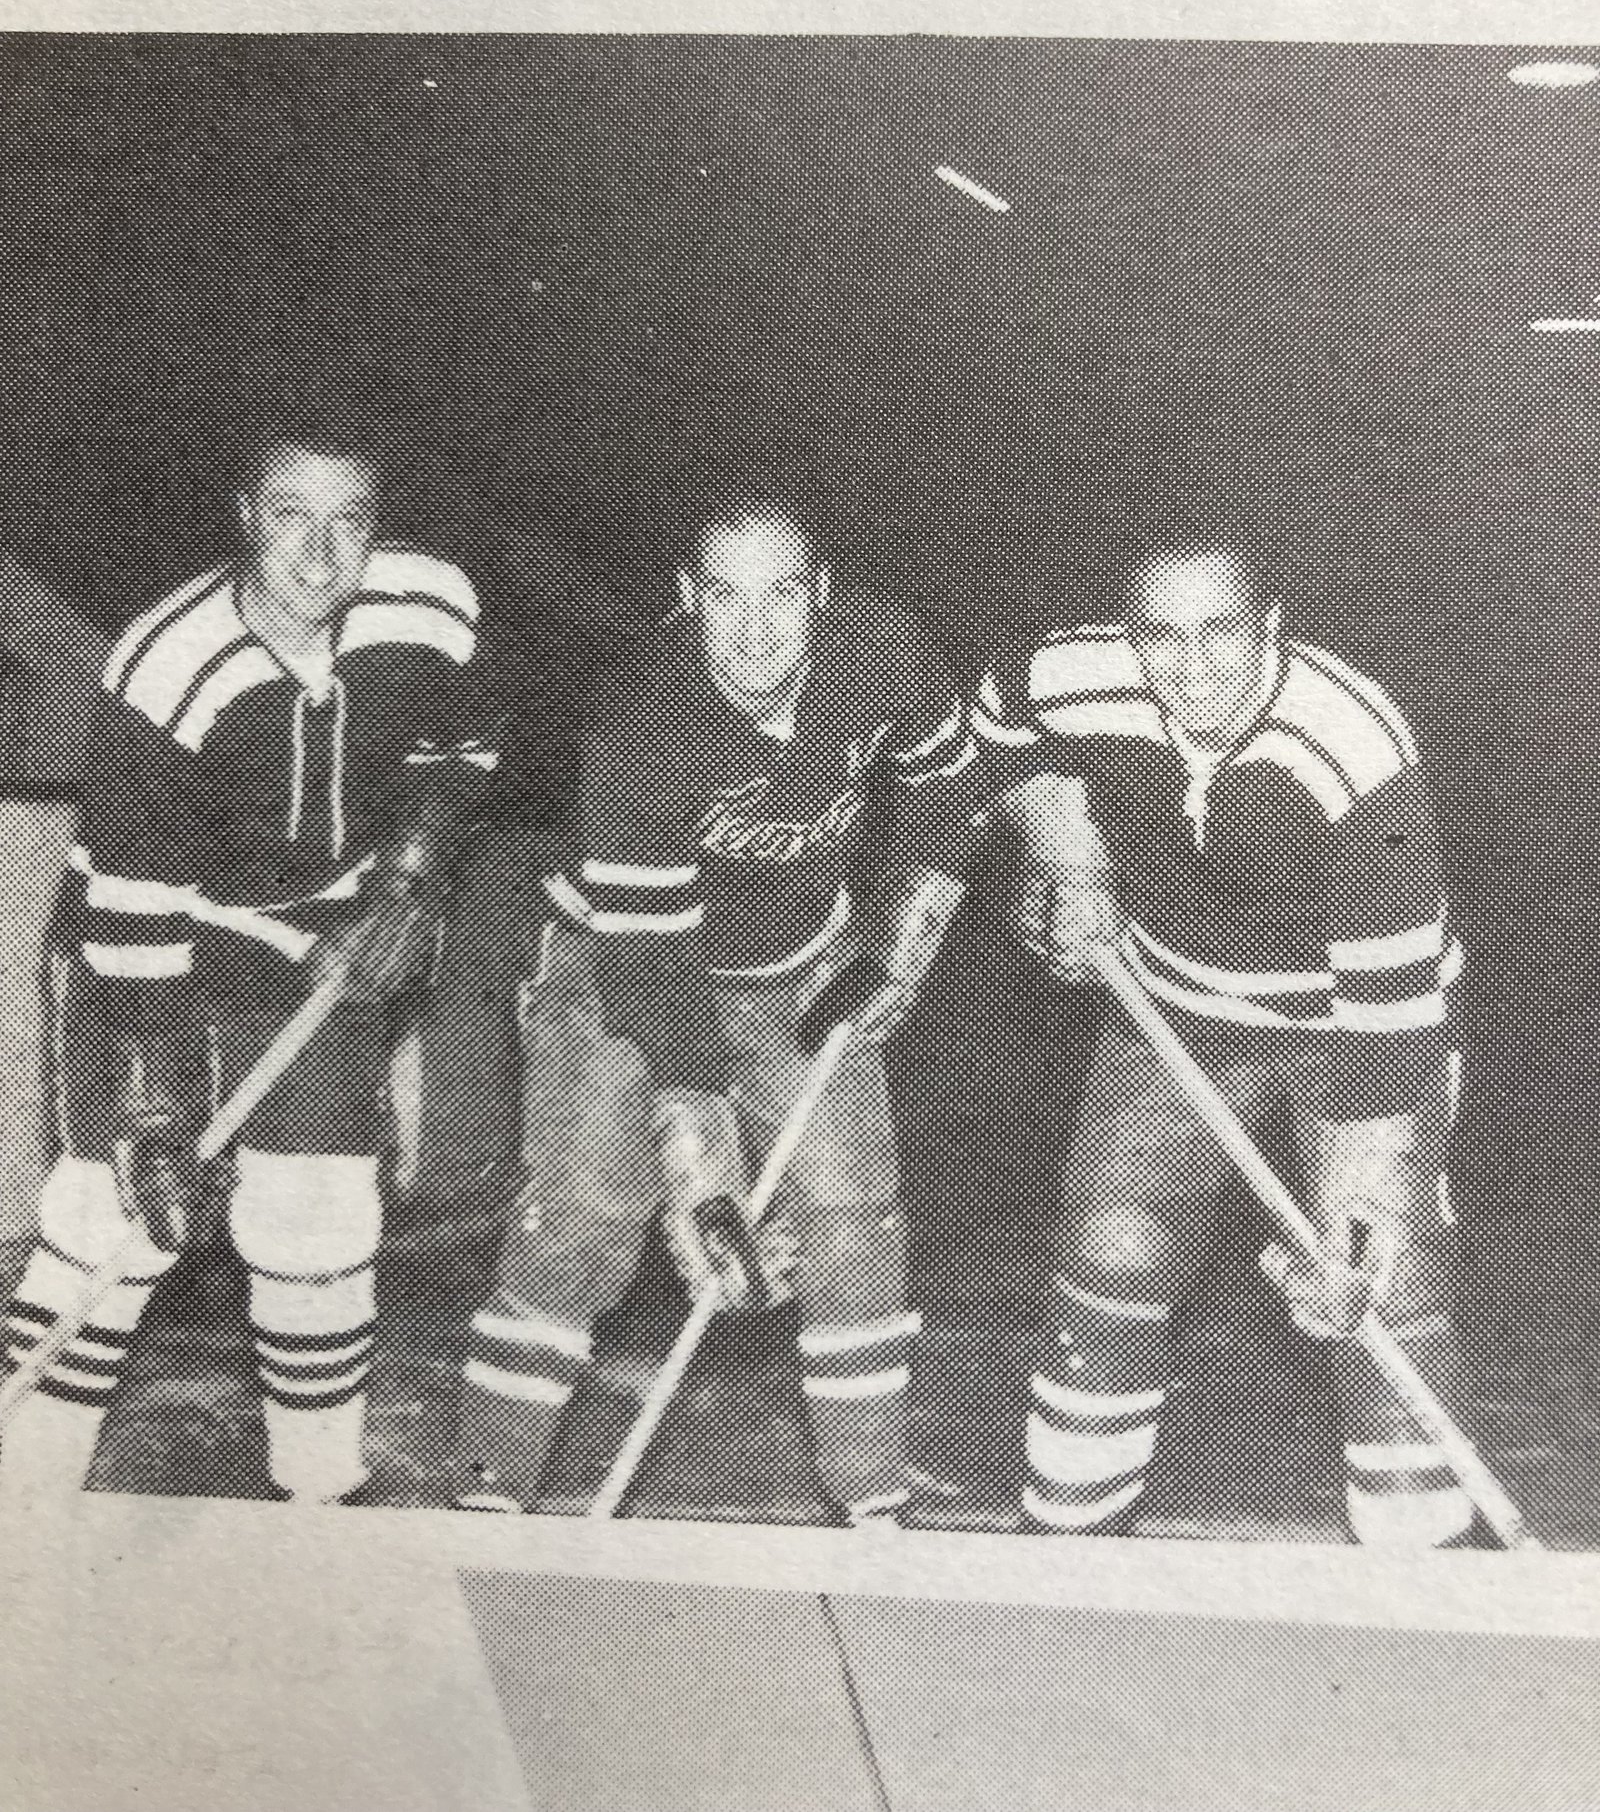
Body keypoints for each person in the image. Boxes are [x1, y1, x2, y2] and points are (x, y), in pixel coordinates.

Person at [0, 423, 502, 1506]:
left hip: (323, 939)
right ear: (244, 517)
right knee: (114, 1223)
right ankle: (21, 1502)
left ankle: (317, 1499)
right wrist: (155, 1107)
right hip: (146, 941)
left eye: (349, 522)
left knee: (318, 1218)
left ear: (377, 526)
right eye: (290, 517)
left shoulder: (431, 607)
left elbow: (464, 748)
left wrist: (411, 874)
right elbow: (134, 905)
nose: (320, 555)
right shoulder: (165, 669)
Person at [455, 491, 974, 1524]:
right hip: (622, 967)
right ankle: (490, 1494)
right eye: (727, 598)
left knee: (852, 1227)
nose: (755, 631)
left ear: (820, 594)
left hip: (800, 960)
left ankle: (875, 1513)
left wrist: (900, 943)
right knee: (580, 1225)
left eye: (781, 595)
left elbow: (946, 785)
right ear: (688, 598)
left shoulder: (883, 654)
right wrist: (703, 1177)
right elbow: (654, 968)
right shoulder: (642, 722)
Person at [969, 536, 1477, 1546]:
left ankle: (1421, 1564)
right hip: (1176, 1010)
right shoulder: (1077, 676)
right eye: (1161, 636)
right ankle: (1066, 1548)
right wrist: (1074, 862)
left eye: (1222, 631)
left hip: (1355, 1028)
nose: (1192, 666)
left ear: (1270, 627)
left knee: (1379, 1286)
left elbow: (1391, 1017)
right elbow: (998, 719)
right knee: (1113, 1249)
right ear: (1129, 638)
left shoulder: (1355, 746)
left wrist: (1356, 1224)